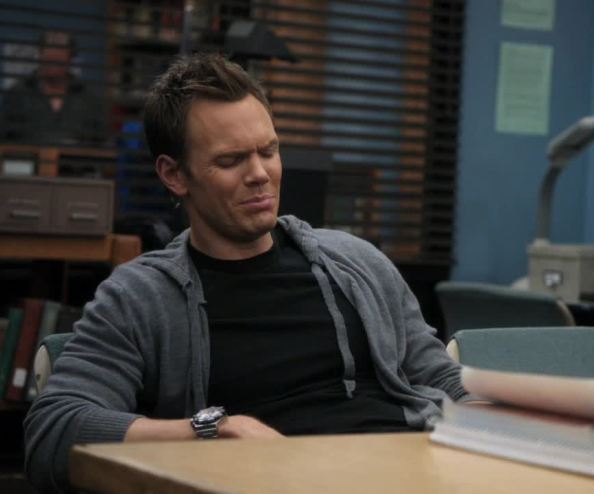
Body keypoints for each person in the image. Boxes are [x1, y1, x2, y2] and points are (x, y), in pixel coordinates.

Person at [24, 53, 466, 493]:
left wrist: (493, 415)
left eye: (268, 151)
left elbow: (441, 380)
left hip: (408, 472)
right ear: (175, 175)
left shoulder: (355, 262)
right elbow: (54, 430)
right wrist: (211, 431)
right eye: (231, 160)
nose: (260, 174)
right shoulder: (140, 297)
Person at [1, 30, 107, 145]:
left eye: (59, 61)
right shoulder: (18, 95)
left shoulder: (89, 100)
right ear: (40, 56)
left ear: (70, 60)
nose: (53, 67)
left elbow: (101, 144)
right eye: (49, 60)